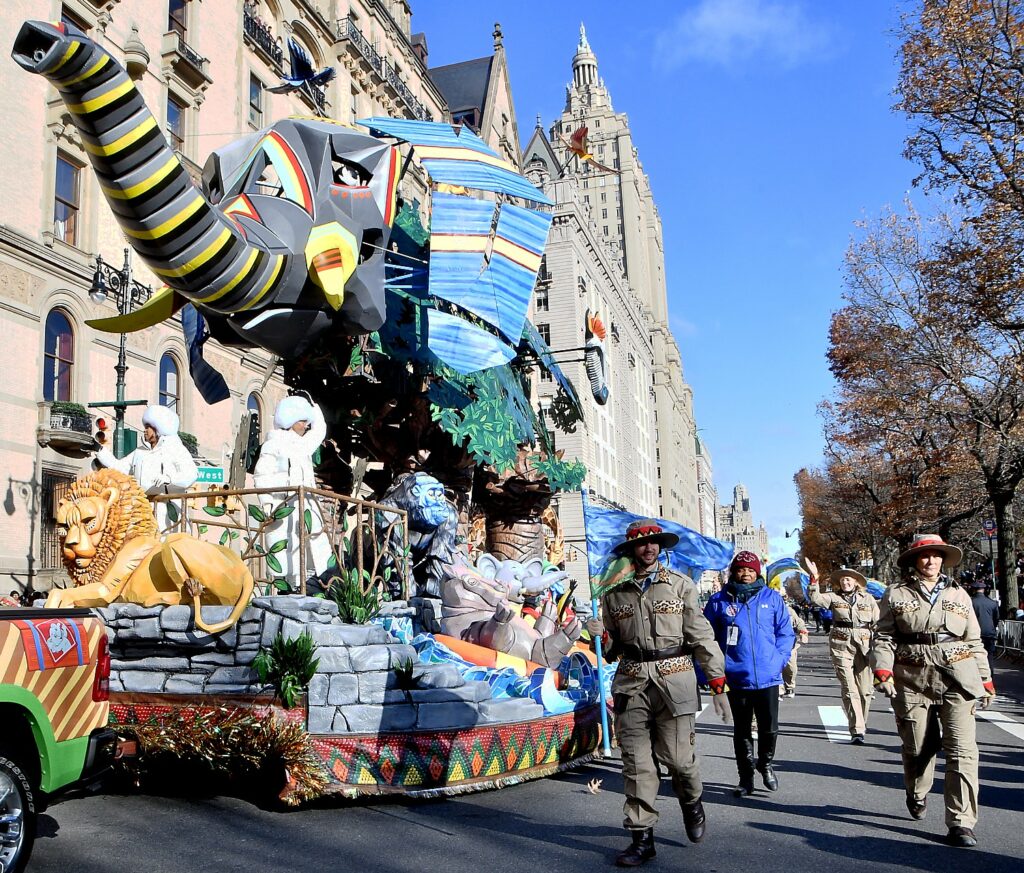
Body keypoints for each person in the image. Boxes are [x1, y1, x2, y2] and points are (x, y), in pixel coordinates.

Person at [587, 519, 732, 867]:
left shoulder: (681, 586)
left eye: (653, 544)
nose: (648, 549)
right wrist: (598, 634)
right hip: (632, 682)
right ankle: (642, 839)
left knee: (679, 761)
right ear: (631, 550)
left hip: (675, 680)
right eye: (641, 544)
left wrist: (718, 685)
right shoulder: (612, 591)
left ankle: (691, 801)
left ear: (660, 548)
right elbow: (610, 648)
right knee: (637, 765)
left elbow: (702, 638)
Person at [871, 534, 995, 849]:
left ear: (943, 559)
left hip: (958, 675)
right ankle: (917, 791)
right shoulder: (896, 594)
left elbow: (974, 640)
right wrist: (882, 670)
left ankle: (961, 822)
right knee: (918, 748)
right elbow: (883, 636)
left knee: (963, 752)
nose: (931, 561)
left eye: (937, 556)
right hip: (912, 676)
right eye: (925, 556)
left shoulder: (960, 594)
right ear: (915, 561)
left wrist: (985, 678)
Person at [704, 551, 794, 797]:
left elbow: (786, 633)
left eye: (751, 570)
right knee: (741, 730)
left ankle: (765, 764)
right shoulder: (718, 601)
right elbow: (706, 638)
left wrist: (778, 661)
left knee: (769, 727)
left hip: (768, 675)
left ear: (757, 573)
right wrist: (711, 673)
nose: (746, 574)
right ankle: (745, 778)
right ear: (733, 572)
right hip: (736, 677)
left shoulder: (772, 599)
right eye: (741, 569)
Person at [253, 394, 333, 589]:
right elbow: (262, 476)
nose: (306, 425)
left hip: (305, 507)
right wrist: (268, 505)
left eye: (307, 421)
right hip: (283, 506)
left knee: (310, 549)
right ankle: (286, 589)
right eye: (303, 421)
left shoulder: (302, 445)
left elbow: (319, 431)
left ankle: (306, 586)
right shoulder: (273, 445)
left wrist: (313, 407)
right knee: (285, 551)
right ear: (290, 421)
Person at [804, 561, 879, 743]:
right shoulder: (833, 597)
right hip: (841, 644)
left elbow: (878, 622)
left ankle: (861, 720)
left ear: (856, 582)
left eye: (849, 579)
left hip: (865, 646)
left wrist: (879, 646)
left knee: (865, 691)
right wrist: (814, 579)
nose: (846, 583)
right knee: (849, 687)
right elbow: (815, 599)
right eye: (843, 580)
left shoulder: (868, 599)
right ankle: (857, 730)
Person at [95, 404, 197, 531]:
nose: (145, 430)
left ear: (158, 429)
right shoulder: (140, 452)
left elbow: (191, 473)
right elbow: (120, 467)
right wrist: (99, 450)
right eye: (145, 427)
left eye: (148, 427)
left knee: (164, 544)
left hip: (166, 509)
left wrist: (169, 478)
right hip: (142, 508)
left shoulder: (175, 448)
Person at [781, 597, 809, 698]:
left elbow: (799, 623)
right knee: (776, 668)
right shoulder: (765, 610)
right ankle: (779, 690)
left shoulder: (789, 611)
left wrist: (803, 633)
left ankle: (789, 686)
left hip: (789, 644)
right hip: (772, 645)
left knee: (791, 668)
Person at [968, 579, 1000, 657]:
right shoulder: (992, 603)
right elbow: (996, 619)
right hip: (989, 633)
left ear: (973, 590)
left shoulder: (970, 602)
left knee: (976, 657)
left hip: (975, 633)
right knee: (989, 657)